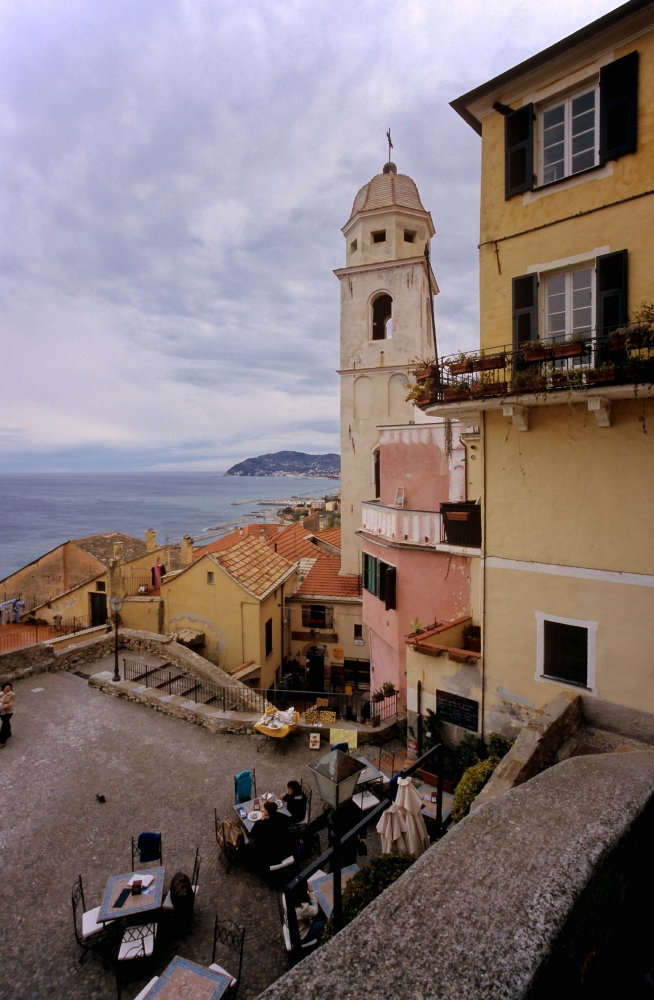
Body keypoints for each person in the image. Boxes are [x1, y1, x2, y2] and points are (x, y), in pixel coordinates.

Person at [250, 801, 295, 868]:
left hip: (270, 853)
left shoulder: (261, 824)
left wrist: (261, 820)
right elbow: (288, 822)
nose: (263, 811)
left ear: (267, 812)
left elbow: (252, 833)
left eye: (264, 810)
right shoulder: (282, 816)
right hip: (284, 848)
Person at [0, 682, 15, 747]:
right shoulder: (0, 693)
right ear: (3, 688)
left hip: (8, 712)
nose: (8, 689)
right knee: (5, 722)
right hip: (1, 712)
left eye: (10, 688)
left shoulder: (12, 695)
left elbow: (10, 704)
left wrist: (2, 705)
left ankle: (2, 741)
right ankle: (8, 733)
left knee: (4, 726)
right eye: (7, 688)